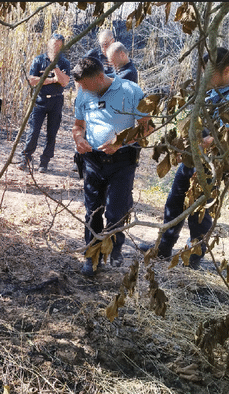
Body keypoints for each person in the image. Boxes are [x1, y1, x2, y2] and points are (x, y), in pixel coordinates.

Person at [143, 47, 229, 268]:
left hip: (210, 164)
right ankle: (163, 248)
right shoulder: (209, 92)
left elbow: (223, 138)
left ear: (226, 71)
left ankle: (193, 256)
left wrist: (195, 144)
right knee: (174, 202)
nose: (205, 78)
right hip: (193, 158)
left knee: (200, 211)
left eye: (210, 73)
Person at [71, 57, 152, 276]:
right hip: (93, 161)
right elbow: (78, 126)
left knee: (116, 212)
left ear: (100, 77)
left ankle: (115, 250)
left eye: (87, 86)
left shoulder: (131, 90)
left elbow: (147, 127)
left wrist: (121, 142)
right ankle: (92, 256)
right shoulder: (83, 92)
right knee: (92, 211)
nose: (84, 91)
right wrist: (79, 139)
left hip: (122, 161)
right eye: (81, 88)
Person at [18, 33, 71, 173]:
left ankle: (44, 162)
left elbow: (65, 82)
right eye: (54, 44)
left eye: (59, 46)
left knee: (51, 133)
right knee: (33, 131)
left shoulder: (64, 63)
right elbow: (32, 81)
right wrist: (53, 80)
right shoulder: (38, 60)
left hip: (56, 100)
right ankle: (25, 158)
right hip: (39, 100)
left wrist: (55, 66)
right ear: (49, 44)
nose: (55, 48)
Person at [73, 28, 116, 174]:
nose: (104, 48)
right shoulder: (93, 55)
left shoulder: (117, 55)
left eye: (106, 44)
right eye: (102, 44)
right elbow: (78, 73)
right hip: (91, 100)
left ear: (113, 41)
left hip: (110, 103)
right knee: (83, 131)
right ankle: (80, 159)